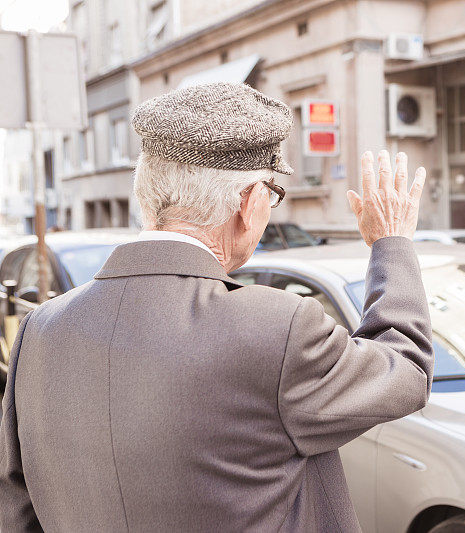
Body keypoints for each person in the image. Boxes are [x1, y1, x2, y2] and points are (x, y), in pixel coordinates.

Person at [0, 82, 433, 532]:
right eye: (272, 194)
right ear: (248, 204)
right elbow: (406, 370)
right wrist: (391, 242)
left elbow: (15, 508)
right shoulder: (278, 327)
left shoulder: (39, 331)